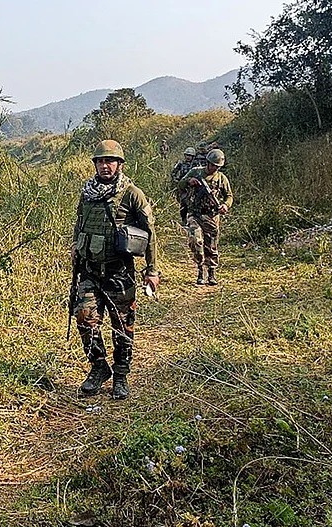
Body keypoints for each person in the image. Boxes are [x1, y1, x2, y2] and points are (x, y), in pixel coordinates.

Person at [71, 140, 160, 400]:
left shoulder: (132, 193)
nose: (104, 165)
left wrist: (152, 270)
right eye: (100, 161)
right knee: (85, 320)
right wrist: (76, 244)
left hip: (119, 272)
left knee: (122, 327)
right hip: (89, 270)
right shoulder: (87, 192)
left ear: (119, 164)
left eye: (110, 161)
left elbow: (150, 232)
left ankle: (121, 374)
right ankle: (99, 368)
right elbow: (80, 222)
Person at [178, 148, 233, 285]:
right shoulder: (196, 172)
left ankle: (211, 273)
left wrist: (225, 205)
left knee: (211, 245)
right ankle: (200, 270)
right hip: (195, 214)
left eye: (217, 166)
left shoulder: (221, 179)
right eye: (212, 165)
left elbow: (229, 196)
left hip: (212, 215)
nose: (214, 168)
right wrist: (189, 182)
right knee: (196, 241)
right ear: (207, 163)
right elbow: (180, 184)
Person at [170, 147, 198, 225]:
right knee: (183, 203)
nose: (188, 157)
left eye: (190, 155)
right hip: (183, 186)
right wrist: (176, 180)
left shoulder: (196, 165)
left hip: (193, 187)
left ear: (193, 156)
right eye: (186, 155)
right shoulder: (181, 163)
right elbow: (173, 172)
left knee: (194, 203)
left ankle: (193, 220)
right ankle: (183, 219)